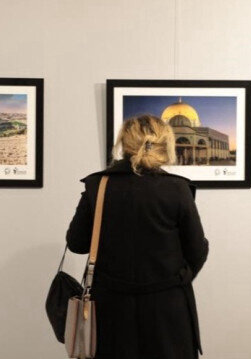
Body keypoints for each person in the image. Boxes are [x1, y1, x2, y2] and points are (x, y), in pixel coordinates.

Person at [66, 114, 209, 359]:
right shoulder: (177, 188)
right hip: (167, 307)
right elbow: (197, 249)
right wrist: (178, 278)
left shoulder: (98, 185)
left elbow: (77, 243)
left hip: (111, 307)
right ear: (166, 144)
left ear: (124, 143)